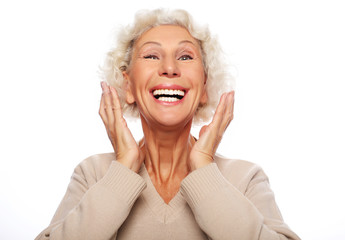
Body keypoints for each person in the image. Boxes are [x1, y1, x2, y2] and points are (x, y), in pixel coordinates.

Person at [35, 9, 300, 240]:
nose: (170, 68)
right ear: (127, 86)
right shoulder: (93, 174)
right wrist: (124, 168)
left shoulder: (245, 178)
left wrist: (204, 167)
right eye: (151, 56)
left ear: (205, 87)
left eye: (185, 57)